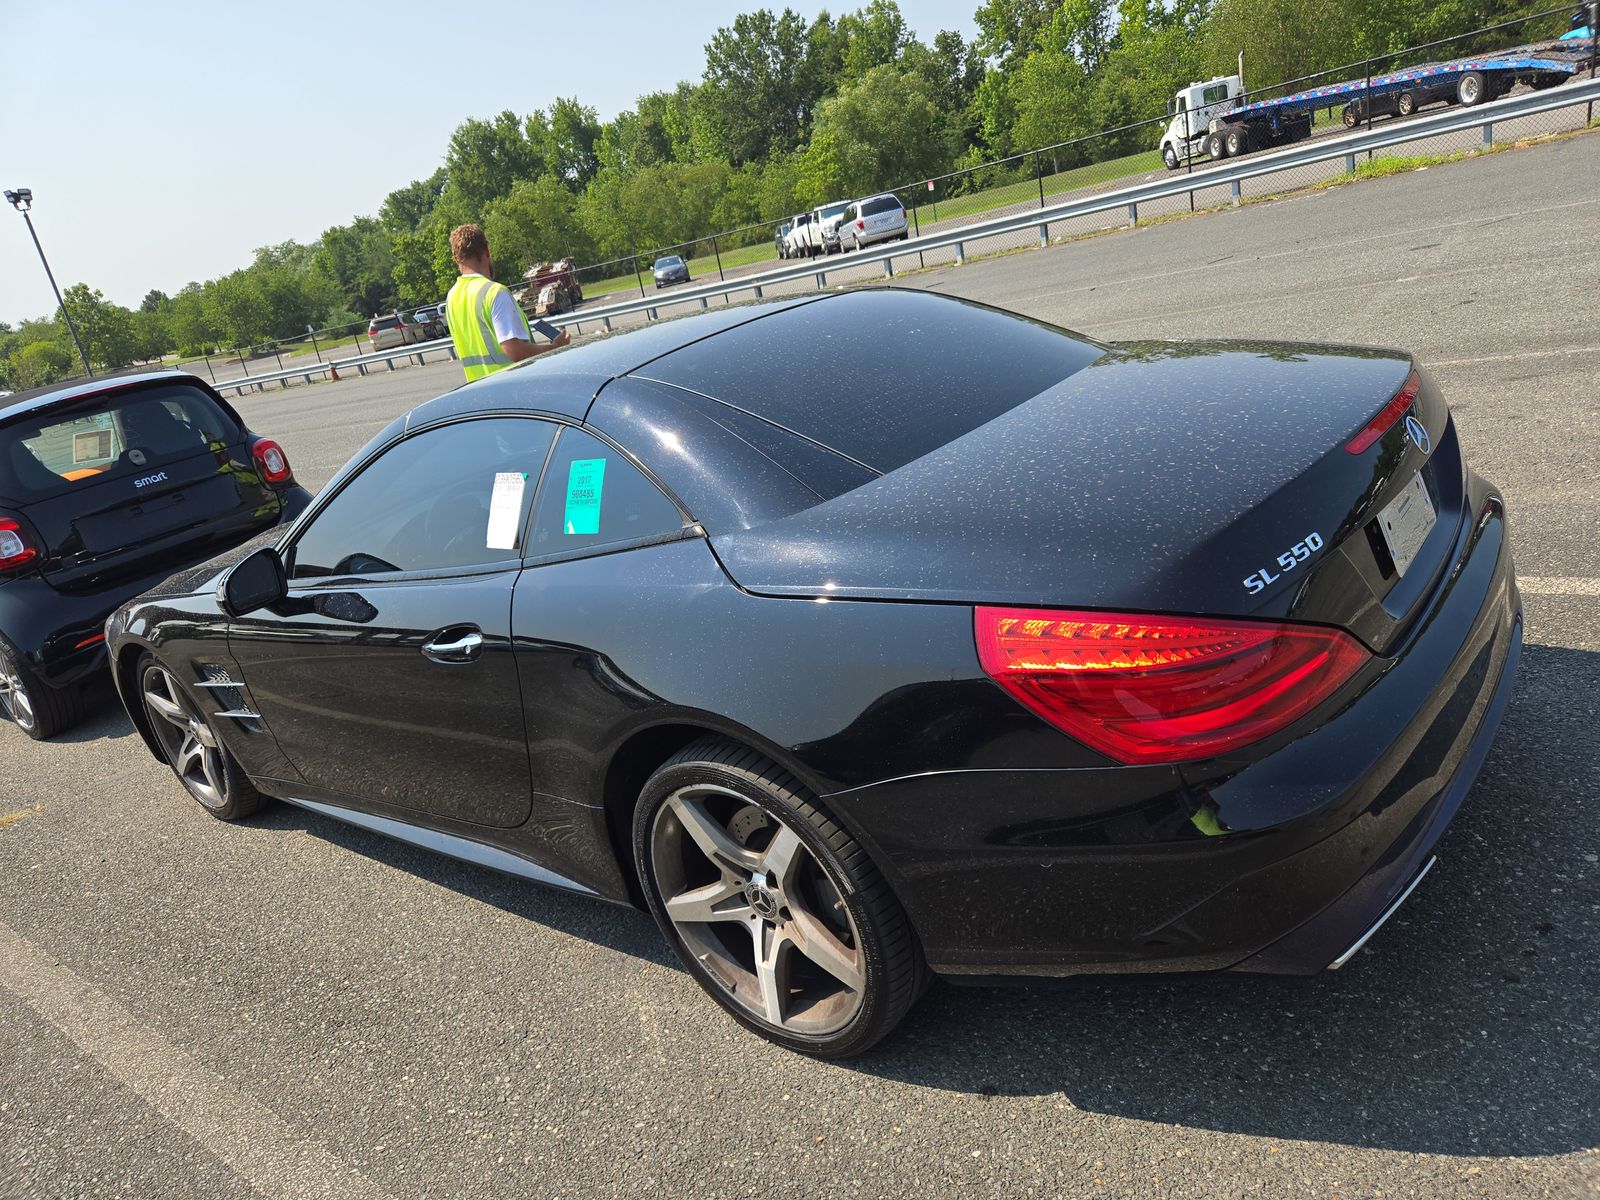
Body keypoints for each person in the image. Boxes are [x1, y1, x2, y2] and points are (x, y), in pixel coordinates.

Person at [444, 224, 569, 382]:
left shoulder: (452, 297)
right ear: (486, 250)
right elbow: (514, 350)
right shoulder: (494, 292)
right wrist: (555, 348)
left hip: (479, 394)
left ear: (456, 257)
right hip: (511, 388)